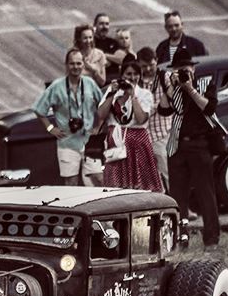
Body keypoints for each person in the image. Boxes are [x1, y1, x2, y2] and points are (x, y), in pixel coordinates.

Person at [159, 50, 220, 247]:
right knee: (177, 196)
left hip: (199, 143)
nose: (183, 73)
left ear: (194, 69)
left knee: (205, 193)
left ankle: (211, 238)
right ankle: (180, 237)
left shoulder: (205, 84)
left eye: (186, 69)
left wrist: (190, 88)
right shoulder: (173, 88)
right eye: (179, 70)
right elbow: (164, 110)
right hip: (177, 145)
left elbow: (209, 107)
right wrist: (168, 88)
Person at [32, 48, 105, 186]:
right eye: (72, 63)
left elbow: (103, 106)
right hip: (67, 143)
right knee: (71, 184)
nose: (75, 67)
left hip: (89, 143)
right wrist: (50, 128)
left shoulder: (89, 83)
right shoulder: (57, 86)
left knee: (98, 181)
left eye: (78, 63)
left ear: (83, 64)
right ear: (66, 65)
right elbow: (39, 109)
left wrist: (98, 126)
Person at [97, 60, 162, 192]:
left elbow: (141, 119)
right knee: (115, 186)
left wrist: (133, 96)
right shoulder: (112, 91)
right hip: (116, 144)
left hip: (137, 144)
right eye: (128, 74)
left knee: (141, 187)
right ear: (122, 75)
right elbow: (101, 114)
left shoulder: (144, 94)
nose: (132, 78)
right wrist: (112, 94)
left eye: (135, 74)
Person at [137, 46, 173, 192]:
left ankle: (181, 207)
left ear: (156, 61)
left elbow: (174, 100)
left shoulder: (165, 77)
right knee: (151, 179)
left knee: (169, 174)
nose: (148, 69)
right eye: (144, 66)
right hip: (144, 136)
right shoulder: (137, 81)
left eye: (151, 65)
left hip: (163, 134)